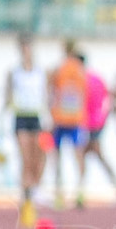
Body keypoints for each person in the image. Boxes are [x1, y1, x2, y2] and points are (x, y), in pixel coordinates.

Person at [3, 33, 48, 227]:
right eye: (23, 48)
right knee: (25, 158)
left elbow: (45, 96)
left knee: (39, 158)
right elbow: (7, 97)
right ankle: (26, 199)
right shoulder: (14, 73)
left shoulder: (40, 72)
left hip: (37, 118)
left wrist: (49, 118)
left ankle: (34, 189)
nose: (26, 52)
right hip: (21, 117)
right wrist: (1, 122)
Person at [75, 53, 116, 208]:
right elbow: (111, 94)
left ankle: (82, 194)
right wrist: (107, 115)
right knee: (94, 157)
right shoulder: (96, 78)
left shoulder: (82, 80)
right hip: (97, 124)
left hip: (88, 125)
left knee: (86, 157)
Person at [48, 39, 88, 209]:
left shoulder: (58, 70)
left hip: (60, 119)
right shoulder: (80, 71)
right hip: (75, 119)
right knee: (78, 157)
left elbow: (51, 92)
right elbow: (84, 95)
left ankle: (59, 193)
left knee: (58, 158)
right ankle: (79, 192)